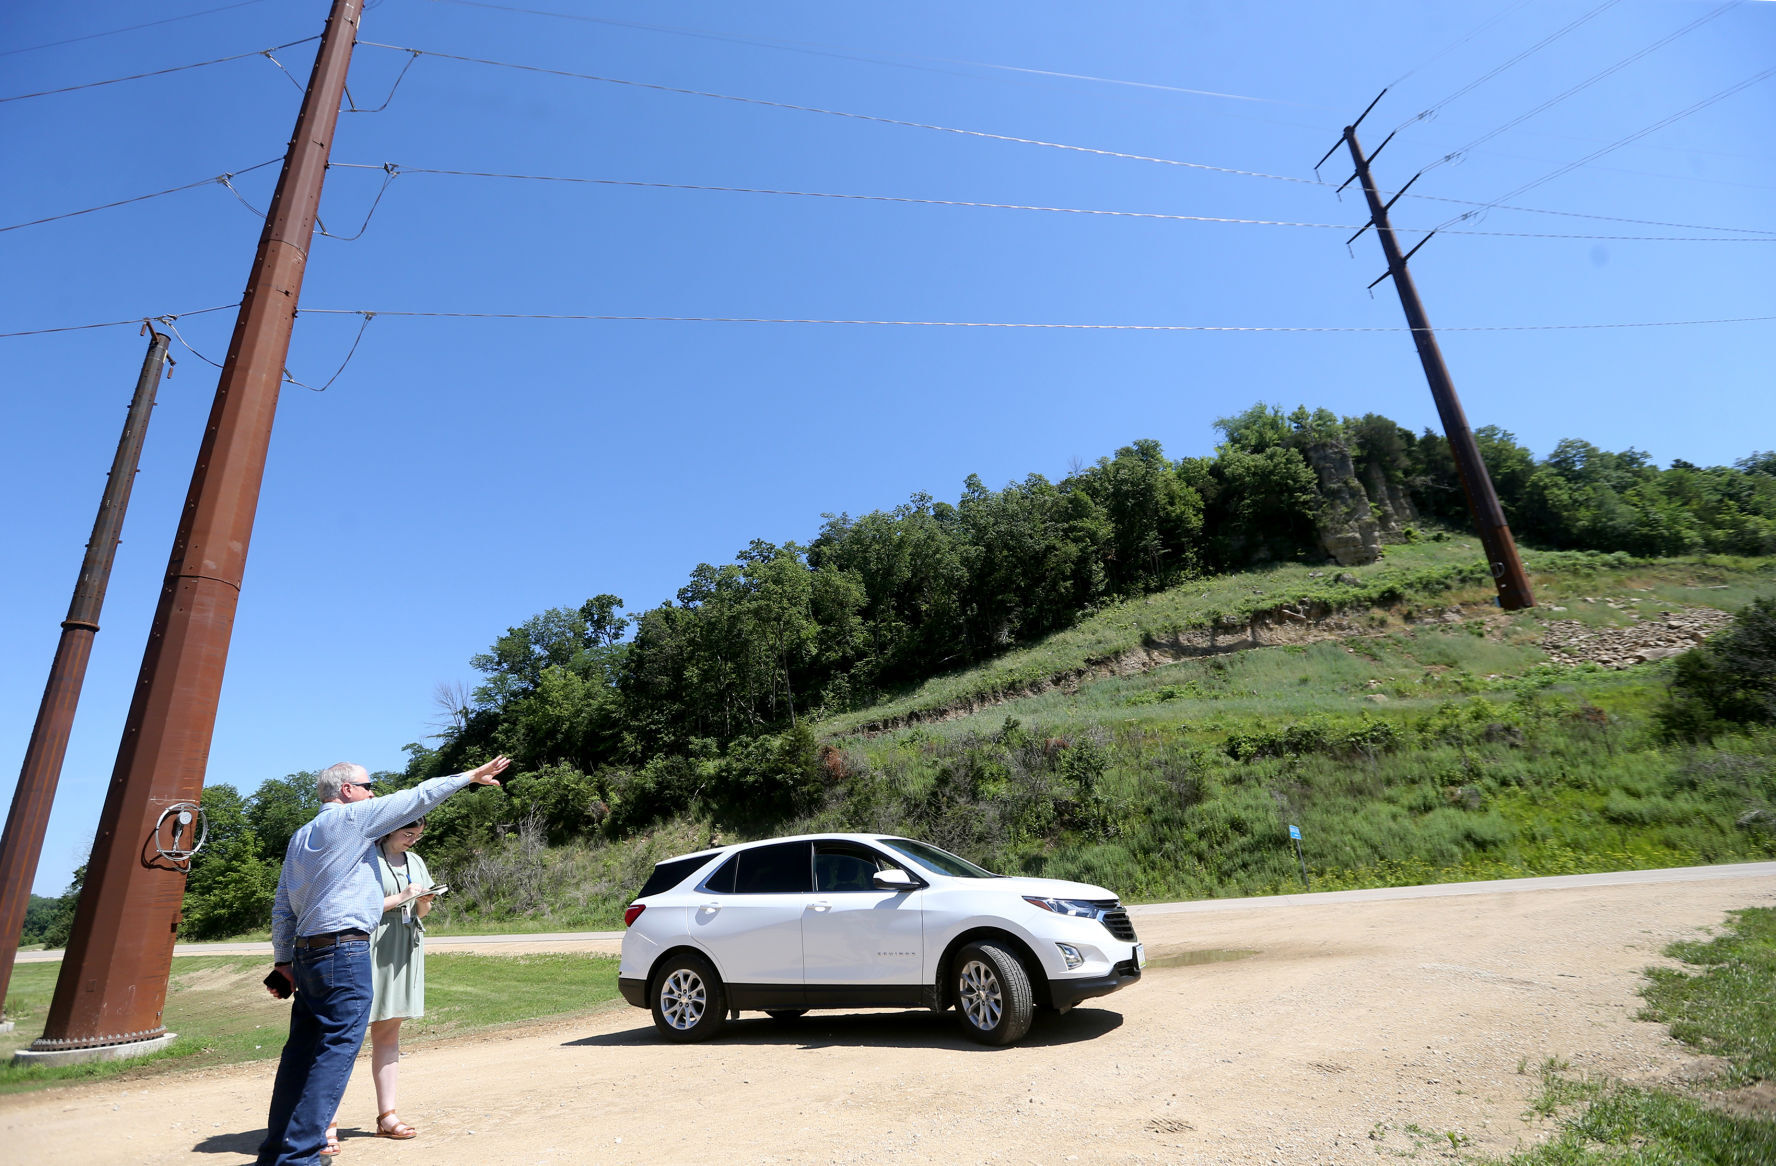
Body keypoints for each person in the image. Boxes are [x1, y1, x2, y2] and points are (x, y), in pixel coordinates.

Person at [256, 756, 510, 1166]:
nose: (373, 793)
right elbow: (417, 798)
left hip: (307, 953)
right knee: (334, 1052)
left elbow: (283, 907)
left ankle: (276, 1152)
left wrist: (284, 961)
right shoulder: (353, 820)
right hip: (344, 951)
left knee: (301, 1053)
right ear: (346, 791)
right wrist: (468, 777)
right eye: (368, 785)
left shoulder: (301, 835)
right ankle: (299, 1157)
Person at [327, 816, 437, 1148]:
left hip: (404, 947)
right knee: (346, 1035)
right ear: (390, 828)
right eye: (408, 833)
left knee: (389, 1030)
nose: (413, 840)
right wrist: (402, 895)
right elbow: (356, 905)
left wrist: (422, 902)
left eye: (418, 835)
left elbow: (422, 912)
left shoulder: (415, 860)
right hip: (368, 945)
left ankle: (387, 1116)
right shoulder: (366, 858)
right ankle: (326, 1121)